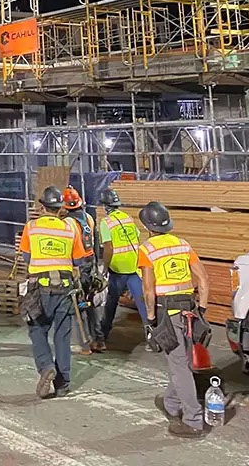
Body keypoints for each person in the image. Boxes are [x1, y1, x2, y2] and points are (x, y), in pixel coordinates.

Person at [137, 200, 211, 438]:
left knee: (179, 365)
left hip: (166, 313)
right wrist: (202, 309)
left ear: (148, 226)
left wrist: (150, 320)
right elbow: (203, 280)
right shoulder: (182, 245)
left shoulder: (147, 250)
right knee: (181, 362)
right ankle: (171, 403)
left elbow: (148, 291)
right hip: (188, 310)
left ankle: (193, 420)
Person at [18, 185, 89, 399]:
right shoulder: (71, 229)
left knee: (37, 329)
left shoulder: (31, 227)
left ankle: (46, 365)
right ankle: (63, 384)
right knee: (63, 335)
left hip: (39, 287)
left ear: (42, 207)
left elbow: (27, 258)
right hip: (65, 287)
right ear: (60, 208)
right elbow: (78, 260)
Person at [98, 187, 148, 347]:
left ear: (105, 206)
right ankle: (152, 335)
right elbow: (137, 239)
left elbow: (108, 247)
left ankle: (103, 333)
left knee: (112, 301)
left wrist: (105, 267)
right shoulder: (127, 218)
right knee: (142, 302)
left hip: (118, 269)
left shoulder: (106, 223)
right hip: (133, 266)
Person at [61, 186, 104, 353]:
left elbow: (68, 247)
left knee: (78, 305)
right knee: (90, 303)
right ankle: (99, 340)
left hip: (77, 267)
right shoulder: (89, 218)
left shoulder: (67, 223)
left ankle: (84, 344)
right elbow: (95, 243)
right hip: (90, 264)